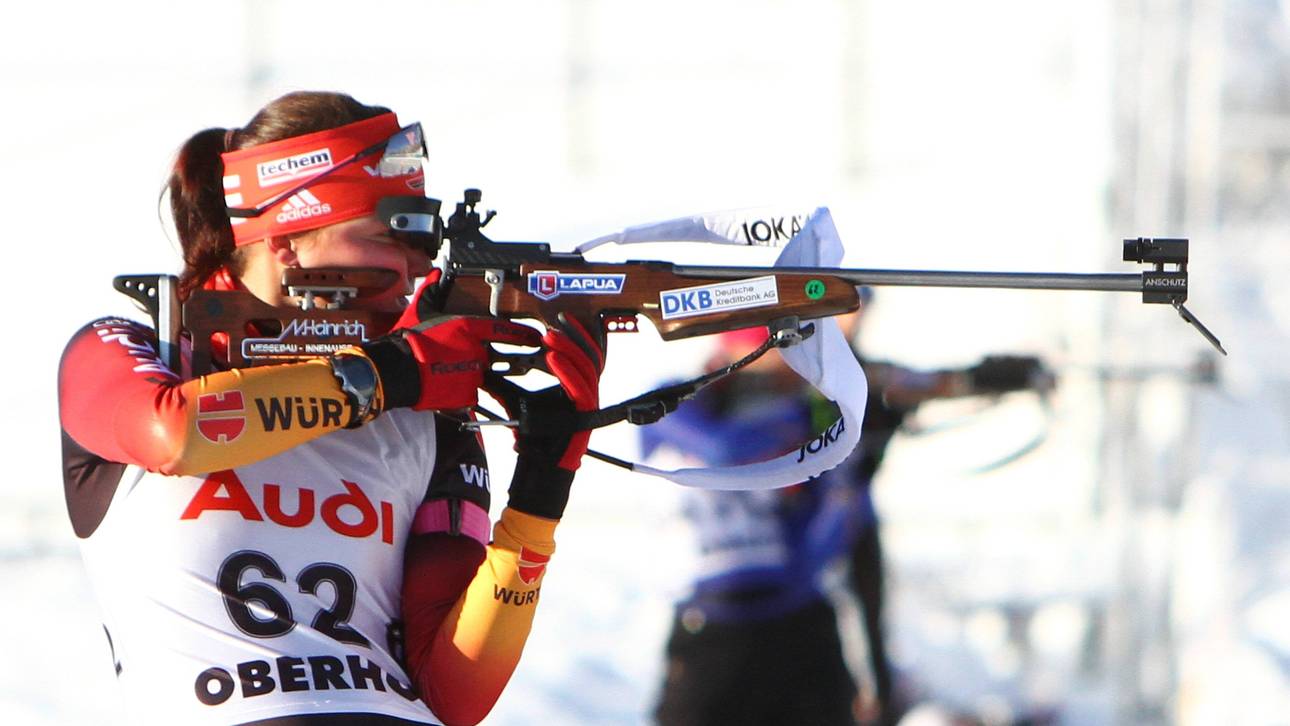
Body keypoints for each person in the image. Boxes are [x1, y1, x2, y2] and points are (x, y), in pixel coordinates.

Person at [58, 91, 603, 726]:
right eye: (387, 235)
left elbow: (455, 692)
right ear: (287, 238)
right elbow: (174, 433)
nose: (415, 269)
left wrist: (540, 492)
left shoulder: (423, 405)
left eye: (422, 240)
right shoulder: (139, 350)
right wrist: (384, 376)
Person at [641, 296, 1049, 726]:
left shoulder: (819, 413)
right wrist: (825, 415)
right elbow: (727, 448)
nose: (794, 369)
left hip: (801, 629)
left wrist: (979, 381)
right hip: (709, 636)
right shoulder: (675, 405)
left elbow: (825, 545)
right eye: (782, 354)